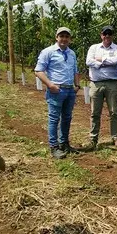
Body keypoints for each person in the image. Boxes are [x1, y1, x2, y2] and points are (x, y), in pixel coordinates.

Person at [35, 27, 81, 159]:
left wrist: (77, 85)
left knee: (67, 117)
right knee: (54, 118)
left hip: (69, 90)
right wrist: (50, 84)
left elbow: (75, 70)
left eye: (67, 36)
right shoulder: (48, 52)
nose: (64, 39)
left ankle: (64, 143)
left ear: (70, 39)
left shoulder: (72, 53)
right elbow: (38, 71)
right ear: (56, 37)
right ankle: (53, 146)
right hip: (56, 90)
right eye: (62, 36)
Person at [85, 25, 117, 150]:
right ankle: (93, 138)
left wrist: (99, 61)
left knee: (114, 112)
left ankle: (115, 137)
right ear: (101, 35)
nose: (107, 36)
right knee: (95, 112)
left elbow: (116, 61)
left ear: (113, 36)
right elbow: (89, 62)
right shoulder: (93, 48)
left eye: (109, 34)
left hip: (112, 83)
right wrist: (104, 63)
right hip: (96, 83)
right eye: (105, 34)